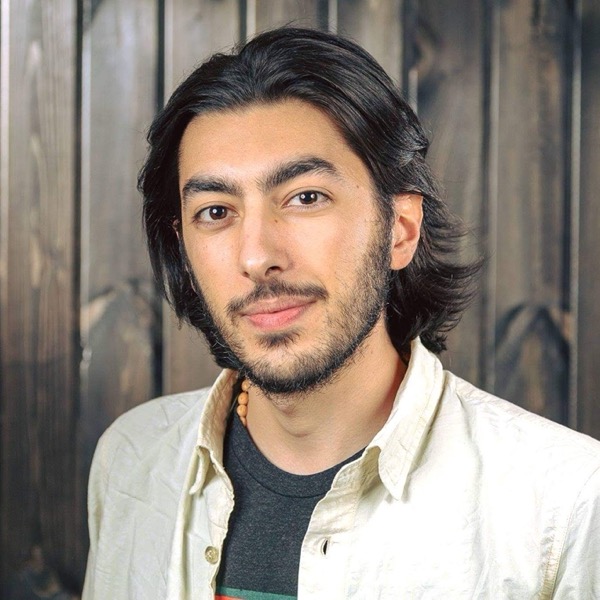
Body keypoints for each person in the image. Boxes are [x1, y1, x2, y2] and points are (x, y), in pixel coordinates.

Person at [82, 27, 600, 600]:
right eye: (216, 211)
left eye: (306, 197)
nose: (256, 257)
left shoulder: (566, 504)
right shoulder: (132, 460)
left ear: (400, 229)